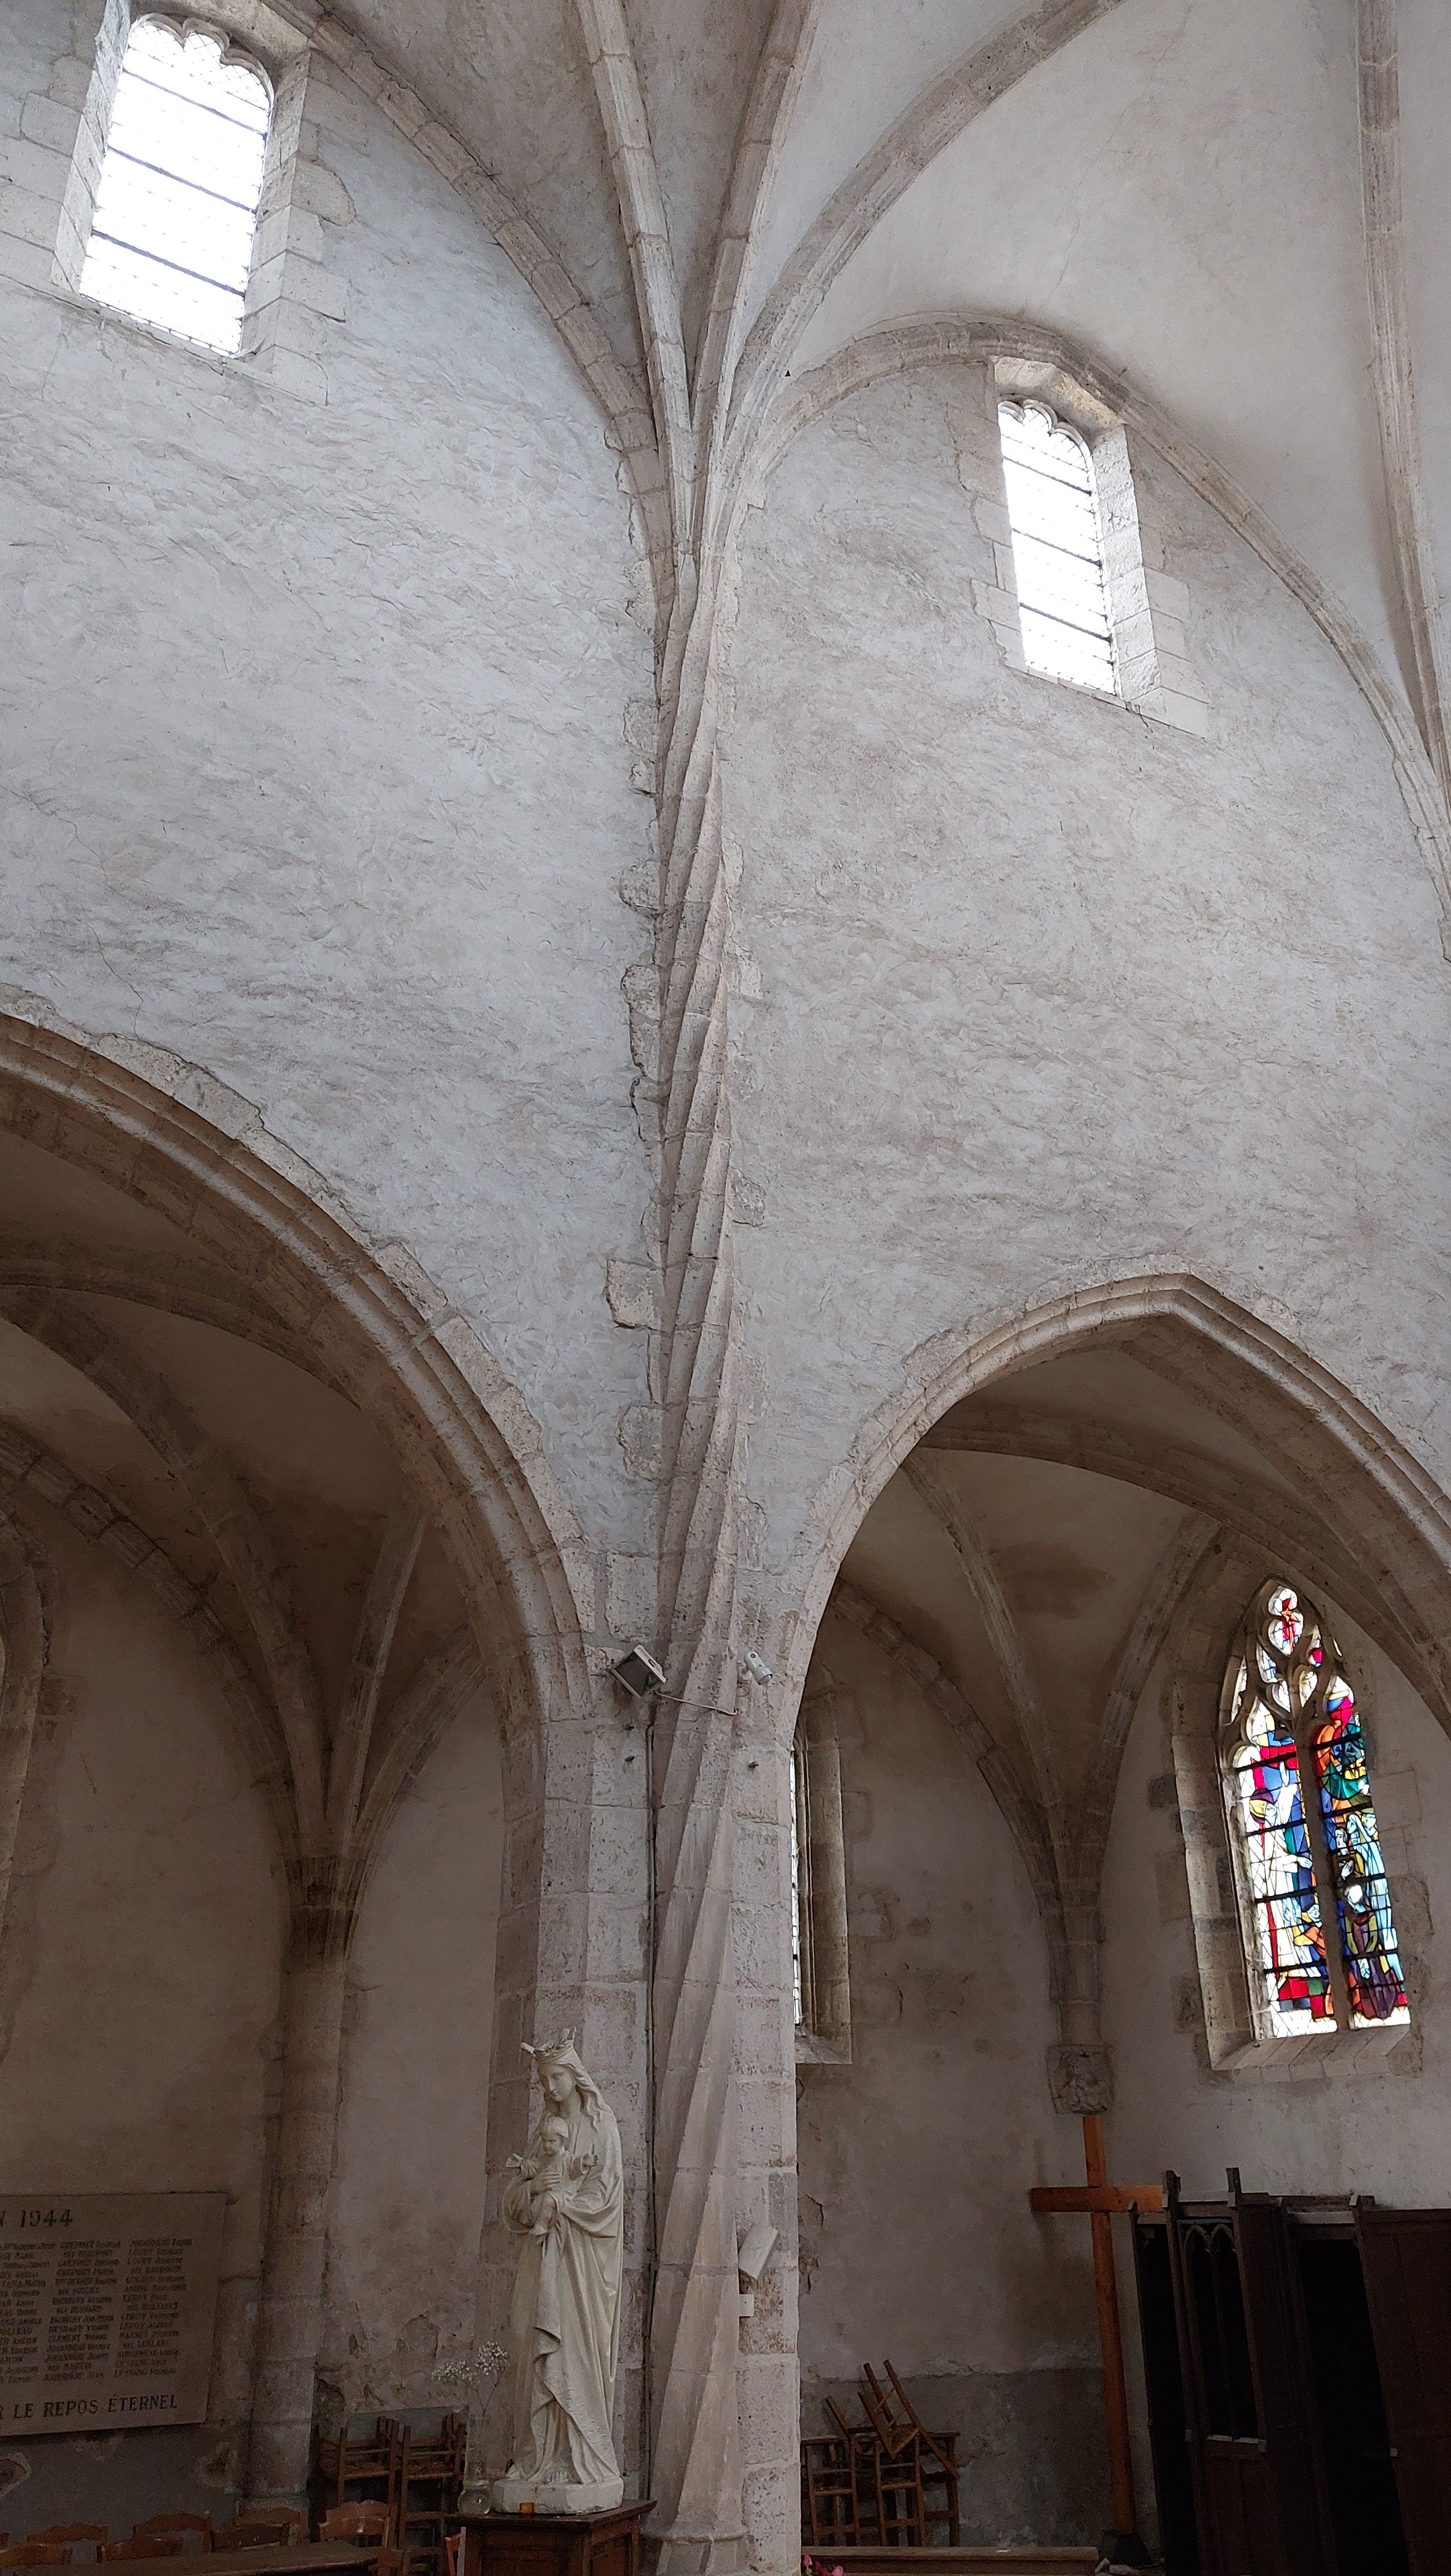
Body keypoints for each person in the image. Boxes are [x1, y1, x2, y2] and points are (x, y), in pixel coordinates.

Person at [498, 2037, 625, 2502]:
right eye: (544, 2080)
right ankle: (537, 2457)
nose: (551, 2087)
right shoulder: (544, 2133)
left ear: (576, 2075)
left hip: (580, 2264)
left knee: (573, 2351)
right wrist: (535, 2195)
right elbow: (513, 2200)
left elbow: (606, 2199)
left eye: (557, 2077)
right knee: (532, 2343)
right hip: (541, 2255)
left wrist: (560, 2205)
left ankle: (576, 2457)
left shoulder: (601, 2126)